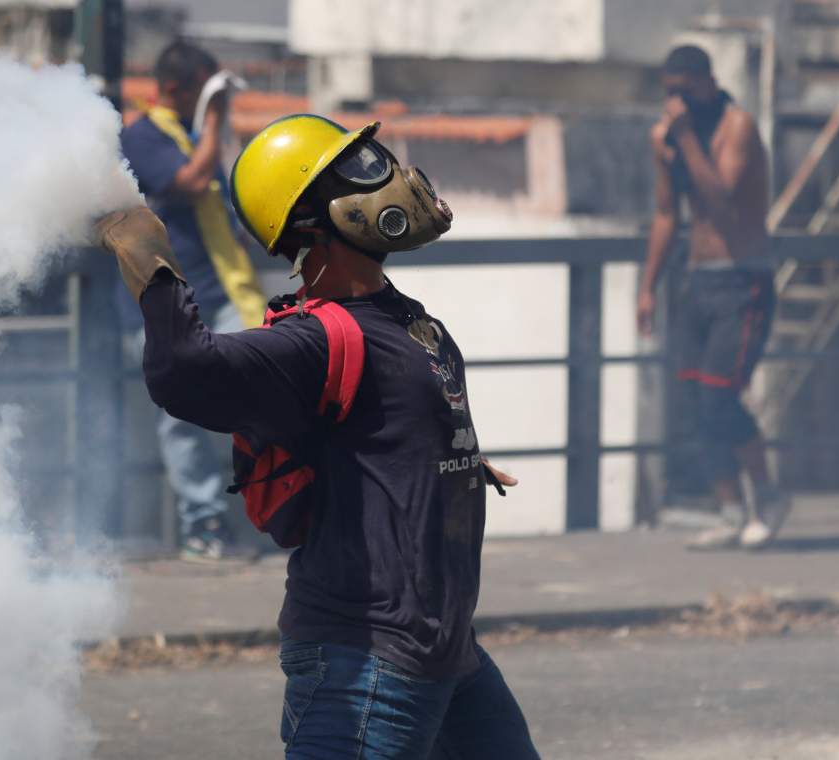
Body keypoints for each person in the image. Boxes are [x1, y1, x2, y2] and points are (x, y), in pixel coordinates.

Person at [98, 114, 541, 758]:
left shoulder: (413, 324)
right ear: (313, 219)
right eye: (361, 170)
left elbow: (385, 432)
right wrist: (148, 253)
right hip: (366, 664)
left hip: (446, 650)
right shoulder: (314, 339)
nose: (389, 176)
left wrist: (451, 458)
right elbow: (184, 370)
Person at [117, 40, 266, 561]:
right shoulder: (141, 135)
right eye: (205, 90)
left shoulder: (192, 135)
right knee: (183, 415)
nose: (210, 101)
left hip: (225, 292)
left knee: (258, 398)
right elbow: (192, 180)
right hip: (167, 301)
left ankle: (264, 512)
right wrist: (217, 119)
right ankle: (203, 526)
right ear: (177, 88)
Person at [638, 45, 790, 550]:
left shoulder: (737, 127)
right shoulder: (667, 139)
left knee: (719, 396)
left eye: (685, 90)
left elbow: (722, 199)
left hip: (743, 279)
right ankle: (728, 509)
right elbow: (666, 214)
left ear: (707, 81)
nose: (677, 102)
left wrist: (683, 136)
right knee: (696, 402)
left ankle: (766, 496)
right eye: (669, 93)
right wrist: (647, 287)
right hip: (696, 281)